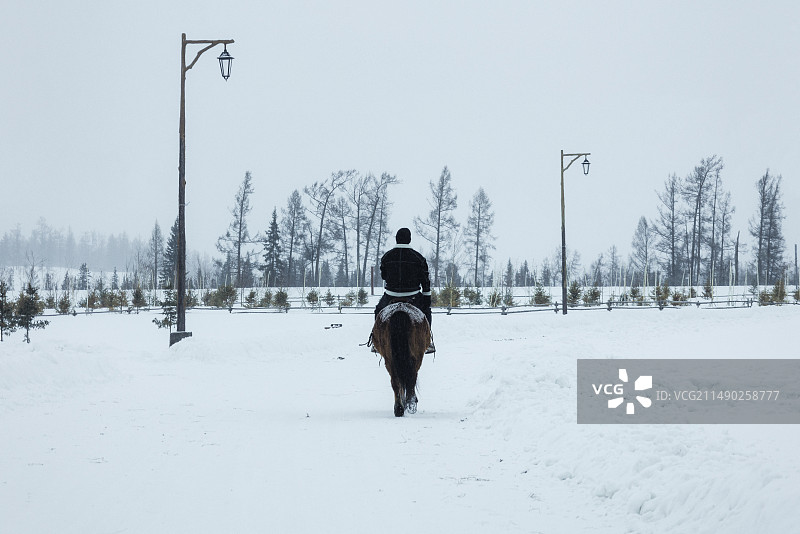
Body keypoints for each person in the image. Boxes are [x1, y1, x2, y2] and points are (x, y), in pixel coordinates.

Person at [374, 227, 434, 353]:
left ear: (396, 239)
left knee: (378, 311)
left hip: (391, 295)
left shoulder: (386, 257)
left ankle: (376, 341)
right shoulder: (419, 258)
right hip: (413, 296)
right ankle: (428, 341)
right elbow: (425, 280)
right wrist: (426, 297)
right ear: (409, 239)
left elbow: (384, 276)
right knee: (426, 311)